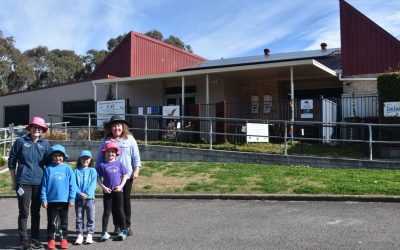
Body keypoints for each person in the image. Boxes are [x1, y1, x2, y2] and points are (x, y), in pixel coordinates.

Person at [8, 116, 52, 250]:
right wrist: (14, 181)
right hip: (23, 182)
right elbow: (11, 161)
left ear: (42, 130)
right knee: (24, 212)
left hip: (39, 183)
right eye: (35, 127)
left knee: (36, 212)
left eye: (40, 128)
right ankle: (23, 239)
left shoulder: (45, 144)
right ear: (30, 128)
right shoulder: (20, 141)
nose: (37, 129)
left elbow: (50, 163)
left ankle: (35, 238)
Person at [96, 115, 141, 236]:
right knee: (114, 202)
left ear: (123, 127)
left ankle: (126, 225)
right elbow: (99, 159)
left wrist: (136, 170)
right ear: (110, 128)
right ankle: (117, 225)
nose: (116, 128)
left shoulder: (130, 139)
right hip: (111, 176)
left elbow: (135, 156)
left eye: (118, 125)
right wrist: (97, 173)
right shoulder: (106, 141)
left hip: (126, 176)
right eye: (114, 126)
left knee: (125, 200)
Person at [41, 144, 77, 250]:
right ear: (52, 157)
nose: (58, 158)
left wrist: (71, 198)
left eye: (60, 155)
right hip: (51, 200)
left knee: (63, 221)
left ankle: (63, 239)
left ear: (63, 156)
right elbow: (44, 185)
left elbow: (72, 185)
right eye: (55, 155)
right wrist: (44, 199)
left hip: (64, 200)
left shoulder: (68, 169)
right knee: (51, 222)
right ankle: (51, 239)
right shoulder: (48, 169)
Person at [97, 141, 129, 241]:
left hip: (118, 191)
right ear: (105, 153)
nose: (110, 154)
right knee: (106, 212)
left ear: (116, 153)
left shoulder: (120, 164)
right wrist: (103, 187)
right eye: (108, 152)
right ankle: (104, 232)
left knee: (120, 210)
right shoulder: (102, 165)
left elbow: (125, 176)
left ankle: (124, 231)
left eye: (112, 152)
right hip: (107, 192)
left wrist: (121, 186)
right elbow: (98, 178)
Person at [74, 150, 97, 245]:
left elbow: (93, 184)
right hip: (78, 198)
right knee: (79, 217)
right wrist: (79, 193)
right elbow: (73, 184)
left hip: (90, 198)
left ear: (90, 159)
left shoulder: (93, 170)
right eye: (83, 158)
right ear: (80, 159)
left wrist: (86, 193)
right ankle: (80, 234)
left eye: (87, 158)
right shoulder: (75, 171)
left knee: (91, 217)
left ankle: (89, 234)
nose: (85, 160)